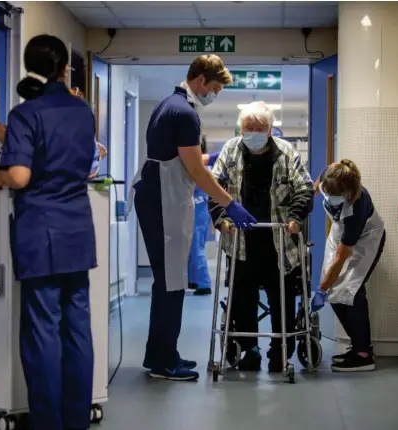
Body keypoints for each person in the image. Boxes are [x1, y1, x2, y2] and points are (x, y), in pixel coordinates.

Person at [0, 34, 96, 430]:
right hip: (77, 231)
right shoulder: (84, 111)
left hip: (41, 234)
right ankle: (76, 420)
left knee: (43, 331)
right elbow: (69, 154)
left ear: (29, 70)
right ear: (65, 68)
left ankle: (47, 423)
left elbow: (20, 175)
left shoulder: (26, 113)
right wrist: (10, 139)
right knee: (78, 329)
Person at [128, 54, 257, 382]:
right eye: (215, 88)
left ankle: (162, 353)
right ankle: (163, 363)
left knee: (168, 281)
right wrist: (229, 203)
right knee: (172, 282)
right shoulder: (185, 113)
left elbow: (181, 157)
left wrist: (213, 155)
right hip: (164, 201)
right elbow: (195, 170)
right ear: (201, 81)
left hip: (155, 194)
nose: (214, 94)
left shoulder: (167, 104)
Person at [209, 101, 314, 372]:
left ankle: (281, 350)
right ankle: (249, 348)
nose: (253, 132)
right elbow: (215, 186)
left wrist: (294, 218)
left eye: (259, 128)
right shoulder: (231, 150)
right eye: (248, 128)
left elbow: (304, 188)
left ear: (270, 130)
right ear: (241, 128)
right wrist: (221, 220)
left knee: (282, 298)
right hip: (241, 240)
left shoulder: (286, 151)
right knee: (242, 297)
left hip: (279, 241)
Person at [310, 159, 386, 372]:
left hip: (364, 238)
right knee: (336, 290)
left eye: (336, 196)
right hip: (339, 230)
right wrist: (309, 195)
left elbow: (342, 257)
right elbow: (316, 186)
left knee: (348, 292)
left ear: (350, 194)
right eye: (327, 192)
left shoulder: (357, 209)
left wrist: (321, 289)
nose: (329, 197)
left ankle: (363, 354)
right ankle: (358, 347)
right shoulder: (331, 174)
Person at [187, 135, 218, 295]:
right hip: (196, 209)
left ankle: (204, 283)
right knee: (191, 247)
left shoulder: (201, 167)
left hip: (198, 210)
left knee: (195, 247)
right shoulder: (197, 165)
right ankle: (193, 280)